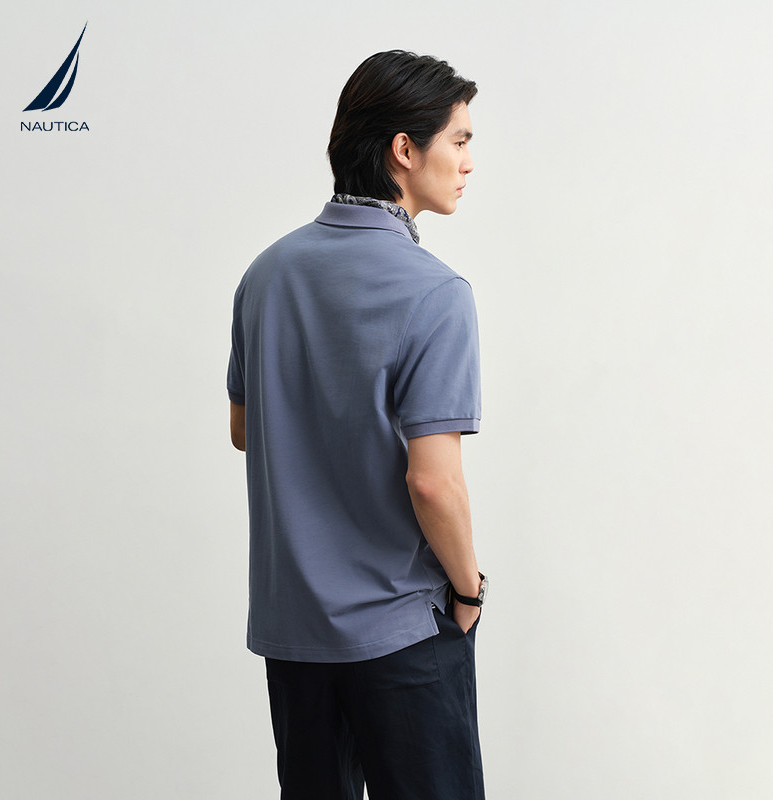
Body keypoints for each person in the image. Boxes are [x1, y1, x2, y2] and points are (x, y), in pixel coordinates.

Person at [227, 49, 487, 800]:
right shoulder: (435, 293)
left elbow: (246, 430)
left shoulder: (266, 274)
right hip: (400, 630)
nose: (469, 162)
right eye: (459, 140)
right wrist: (468, 591)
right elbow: (433, 484)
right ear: (405, 149)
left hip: (294, 632)